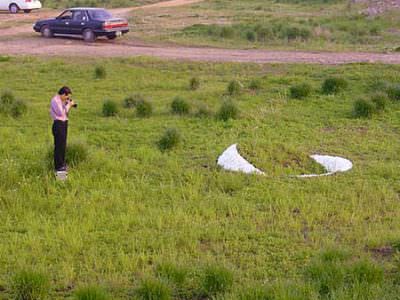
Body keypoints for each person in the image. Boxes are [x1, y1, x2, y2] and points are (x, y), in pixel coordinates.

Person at [50, 86, 76, 174]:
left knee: (63, 146)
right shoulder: (55, 101)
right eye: (67, 97)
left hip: (63, 124)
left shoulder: (61, 100)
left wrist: (66, 103)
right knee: (59, 146)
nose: (68, 98)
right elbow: (61, 113)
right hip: (58, 124)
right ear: (63, 94)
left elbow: (65, 113)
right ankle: (58, 167)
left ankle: (62, 164)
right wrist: (69, 105)